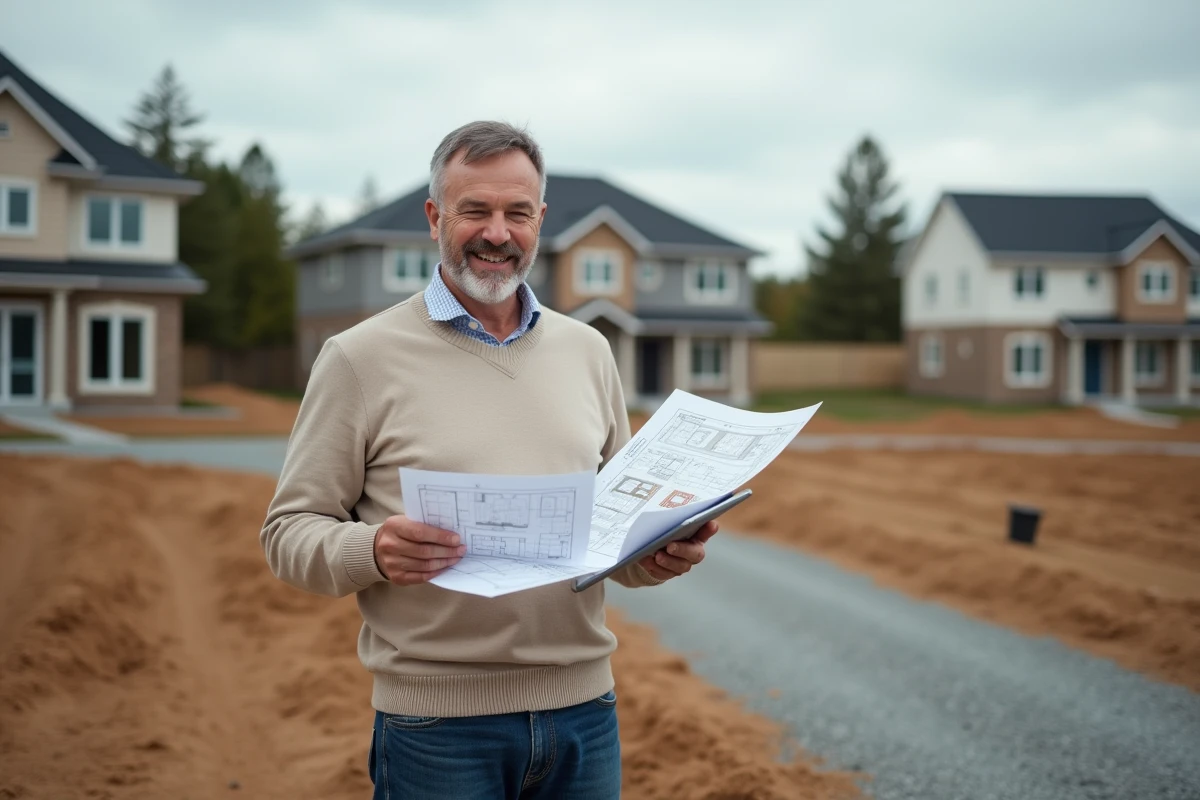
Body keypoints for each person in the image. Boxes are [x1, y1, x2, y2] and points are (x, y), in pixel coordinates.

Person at [261, 120, 718, 799]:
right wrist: (373, 550)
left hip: (585, 719)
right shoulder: (359, 358)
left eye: (517, 213)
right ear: (435, 217)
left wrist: (655, 556)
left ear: (540, 221)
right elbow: (287, 533)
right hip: (436, 729)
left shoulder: (588, 352)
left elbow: (612, 534)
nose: (497, 233)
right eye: (475, 210)